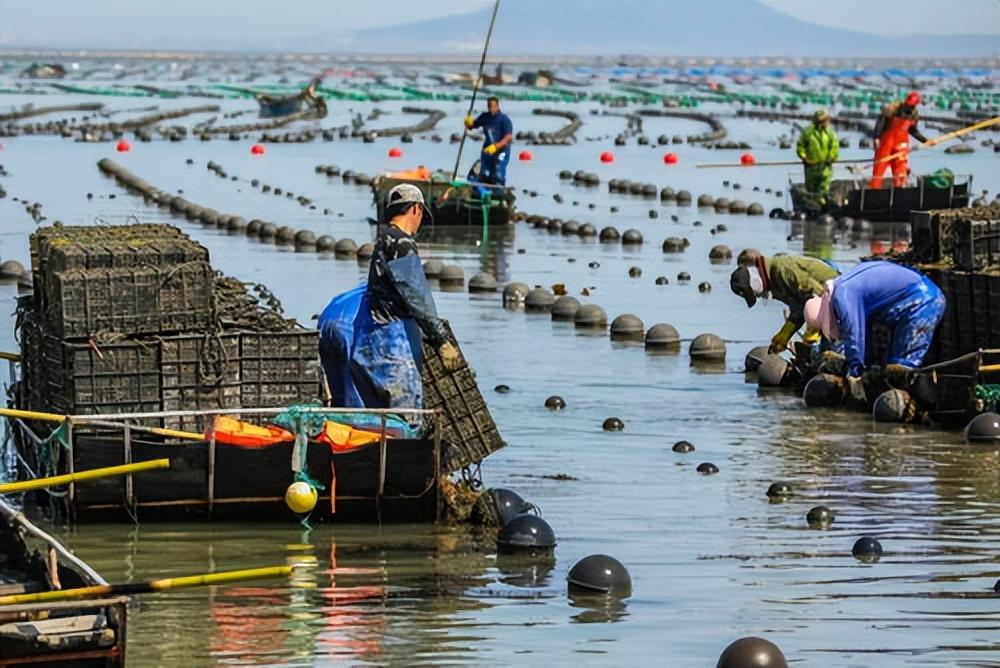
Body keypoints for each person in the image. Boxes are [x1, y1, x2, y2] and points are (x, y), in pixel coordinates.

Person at [367, 183, 460, 373]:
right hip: (396, 344)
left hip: (375, 338)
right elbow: (416, 296)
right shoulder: (402, 244)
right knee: (404, 402)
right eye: (422, 216)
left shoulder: (383, 240)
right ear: (416, 209)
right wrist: (440, 340)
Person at [803, 260, 945, 381]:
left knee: (901, 368)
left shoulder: (844, 295)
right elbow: (863, 332)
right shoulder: (843, 284)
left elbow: (854, 333)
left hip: (921, 301)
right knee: (887, 365)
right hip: (908, 301)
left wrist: (854, 372)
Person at [730, 253, 839, 354]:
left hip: (837, 296)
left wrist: (814, 327)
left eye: (754, 294)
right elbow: (799, 307)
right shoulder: (774, 282)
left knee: (831, 349)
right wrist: (785, 333)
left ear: (755, 282)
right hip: (827, 304)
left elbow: (817, 292)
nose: (758, 297)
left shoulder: (781, 271)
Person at [869, 91, 928, 189]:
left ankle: (900, 189)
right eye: (908, 104)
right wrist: (876, 137)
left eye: (912, 105)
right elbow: (880, 124)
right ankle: (874, 189)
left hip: (901, 145)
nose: (909, 107)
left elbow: (913, 131)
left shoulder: (914, 114)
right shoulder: (892, 109)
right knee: (879, 168)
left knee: (900, 170)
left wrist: (925, 140)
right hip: (886, 143)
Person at [464, 96, 513, 185]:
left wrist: (496, 146)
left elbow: (508, 137)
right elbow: (473, 126)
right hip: (487, 149)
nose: (492, 109)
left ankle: (499, 189)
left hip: (502, 151)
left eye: (494, 106)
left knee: (498, 172)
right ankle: (484, 189)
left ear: (498, 106)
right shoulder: (484, 117)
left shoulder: (504, 119)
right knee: (485, 173)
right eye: (490, 106)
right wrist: (469, 122)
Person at [796, 109, 839, 204]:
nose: (827, 122)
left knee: (824, 190)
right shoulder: (808, 132)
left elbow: (835, 146)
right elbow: (800, 146)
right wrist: (805, 158)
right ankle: (813, 207)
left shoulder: (830, 133)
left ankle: (822, 206)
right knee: (811, 191)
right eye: (825, 120)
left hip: (825, 168)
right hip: (811, 168)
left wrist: (832, 157)